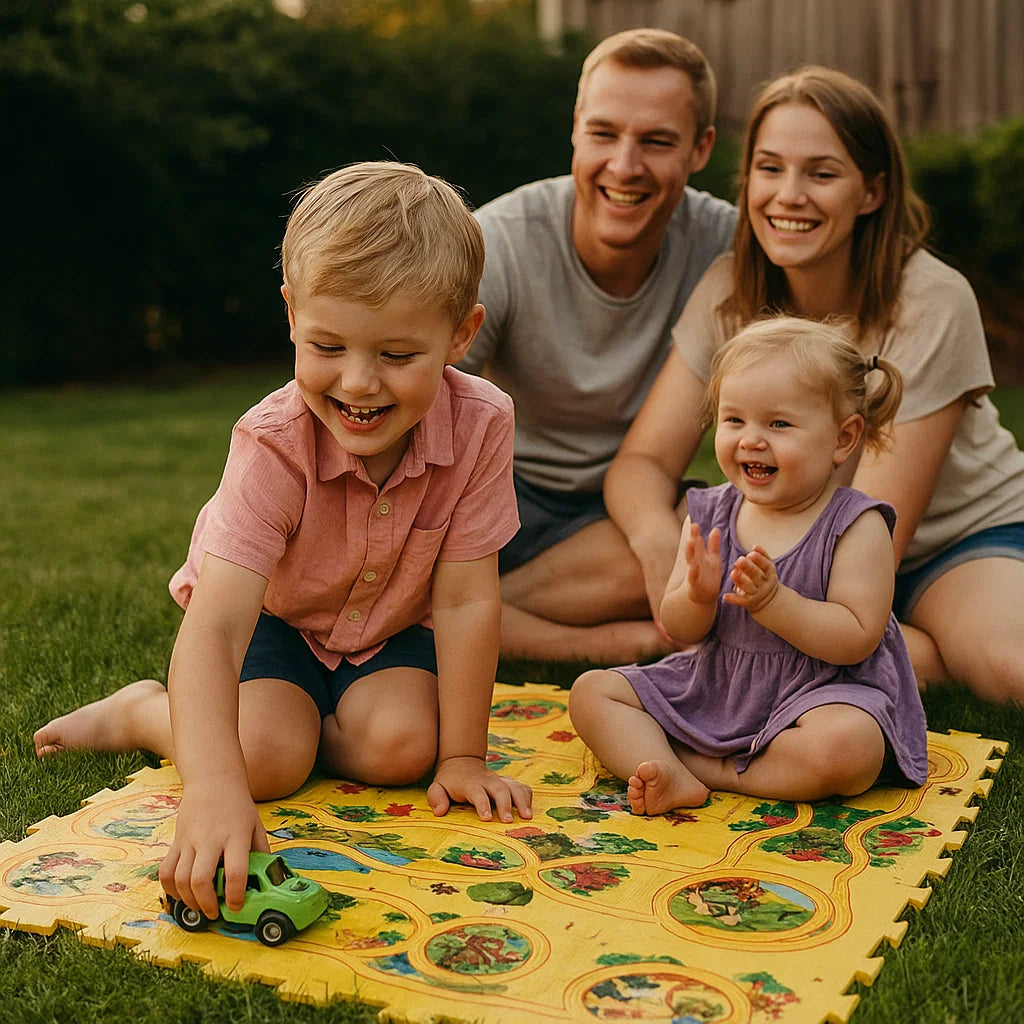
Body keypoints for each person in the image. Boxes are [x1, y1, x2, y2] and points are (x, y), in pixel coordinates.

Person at [33, 162, 534, 921]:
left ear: (461, 334)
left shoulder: (483, 423)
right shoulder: (272, 445)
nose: (359, 383)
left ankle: (314, 720)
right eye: (328, 346)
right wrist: (213, 788)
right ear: (292, 315)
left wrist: (462, 756)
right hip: (275, 619)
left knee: (405, 749)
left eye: (397, 356)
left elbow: (466, 599)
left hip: (387, 627)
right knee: (262, 760)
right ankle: (145, 713)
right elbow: (217, 628)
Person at [606, 66, 1024, 703]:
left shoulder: (932, 300)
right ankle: (443, 615)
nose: (788, 196)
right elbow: (639, 463)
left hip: (952, 541)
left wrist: (730, 608)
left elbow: (876, 531)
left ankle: (912, 645)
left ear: (872, 192)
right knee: (619, 559)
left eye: (821, 174)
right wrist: (665, 550)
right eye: (770, 169)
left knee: (1005, 667)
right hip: (780, 535)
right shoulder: (728, 289)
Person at [571, 318, 928, 814]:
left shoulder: (856, 524)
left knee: (848, 749)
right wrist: (696, 595)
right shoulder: (710, 511)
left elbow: (857, 635)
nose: (751, 440)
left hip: (820, 693)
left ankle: (698, 768)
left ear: (843, 439)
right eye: (734, 420)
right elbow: (680, 631)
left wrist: (775, 603)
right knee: (592, 693)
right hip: (717, 682)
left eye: (778, 424)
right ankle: (689, 768)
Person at [458, 28, 736, 663]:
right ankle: (602, 639)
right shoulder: (499, 241)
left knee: (724, 532)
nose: (626, 166)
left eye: (657, 141)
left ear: (701, 149)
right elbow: (425, 402)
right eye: (605, 133)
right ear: (576, 129)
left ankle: (458, 616)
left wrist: (651, 534)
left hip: (633, 506)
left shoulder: (729, 248)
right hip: (505, 499)